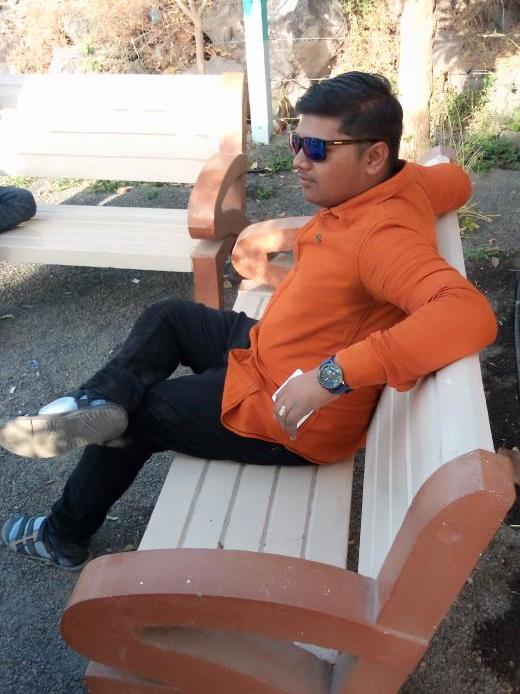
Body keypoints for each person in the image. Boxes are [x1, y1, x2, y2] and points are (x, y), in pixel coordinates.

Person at [0, 72, 497, 571]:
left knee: (143, 415)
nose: (298, 160)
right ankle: (99, 400)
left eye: (317, 149)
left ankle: (62, 535)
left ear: (374, 157)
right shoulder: (406, 182)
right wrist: (440, 169)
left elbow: (467, 313)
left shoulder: (382, 238)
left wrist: (331, 377)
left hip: (288, 410)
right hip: (269, 349)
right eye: (296, 141)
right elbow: (456, 182)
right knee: (170, 316)